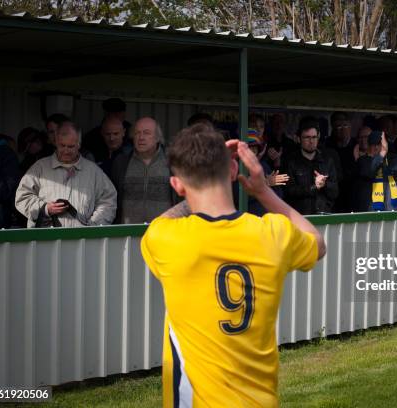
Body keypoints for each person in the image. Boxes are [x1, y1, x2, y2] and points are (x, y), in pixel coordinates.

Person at [140, 123, 326, 407]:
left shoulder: (166, 238)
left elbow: (162, 220)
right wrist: (263, 191)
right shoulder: (272, 233)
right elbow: (318, 243)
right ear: (231, 172)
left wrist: (197, 174)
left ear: (177, 185)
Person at [15, 122, 117, 227]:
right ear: (56, 142)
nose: (66, 150)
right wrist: (45, 209)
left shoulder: (93, 171)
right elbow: (22, 197)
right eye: (62, 145)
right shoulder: (39, 167)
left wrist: (93, 225)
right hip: (46, 240)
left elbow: (108, 201)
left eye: (71, 146)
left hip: (81, 240)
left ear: (79, 145)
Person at [111, 117, 175, 224]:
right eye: (137, 133)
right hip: (128, 233)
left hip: (163, 232)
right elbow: (112, 199)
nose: (141, 137)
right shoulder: (121, 162)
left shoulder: (172, 162)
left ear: (158, 138)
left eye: (146, 133)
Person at [283, 116, 338, 214]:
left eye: (314, 137)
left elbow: (335, 192)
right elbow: (288, 191)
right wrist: (313, 187)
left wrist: (324, 184)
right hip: (300, 218)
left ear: (319, 136)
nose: (311, 141)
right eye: (307, 137)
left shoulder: (327, 161)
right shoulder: (291, 162)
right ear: (299, 138)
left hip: (324, 217)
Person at [326, 113, 357, 213]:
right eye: (338, 126)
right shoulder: (327, 146)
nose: (342, 129)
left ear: (350, 126)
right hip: (334, 195)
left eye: (345, 126)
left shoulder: (357, 145)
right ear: (333, 128)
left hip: (353, 192)